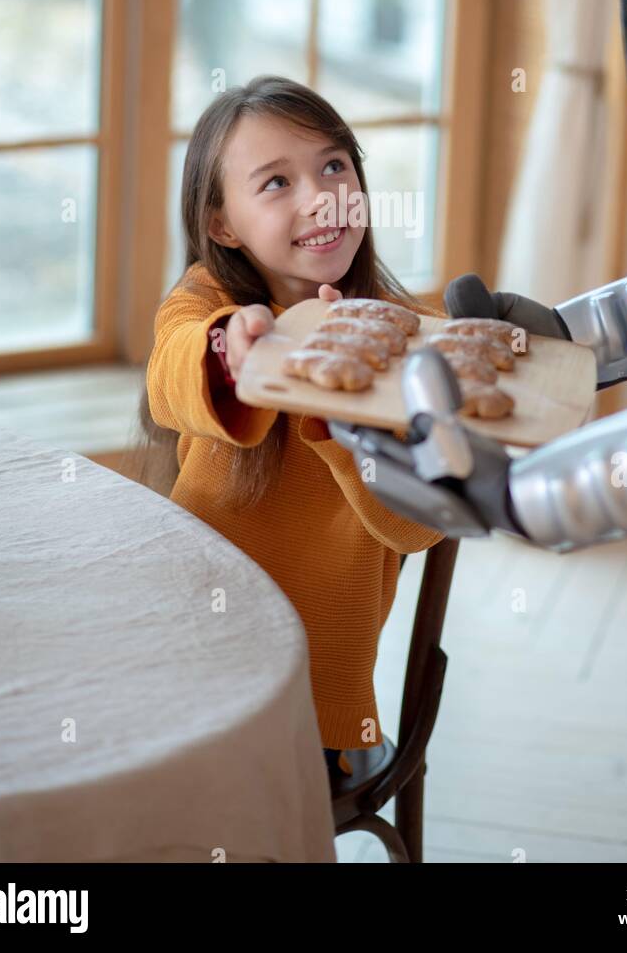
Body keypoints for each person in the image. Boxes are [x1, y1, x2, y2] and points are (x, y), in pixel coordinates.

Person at [138, 75, 445, 776]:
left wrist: (346, 416)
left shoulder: (407, 337)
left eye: (334, 165)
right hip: (192, 657)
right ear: (221, 224)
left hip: (318, 698)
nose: (322, 195)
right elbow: (169, 378)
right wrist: (234, 348)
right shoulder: (204, 305)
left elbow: (417, 527)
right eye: (276, 183)